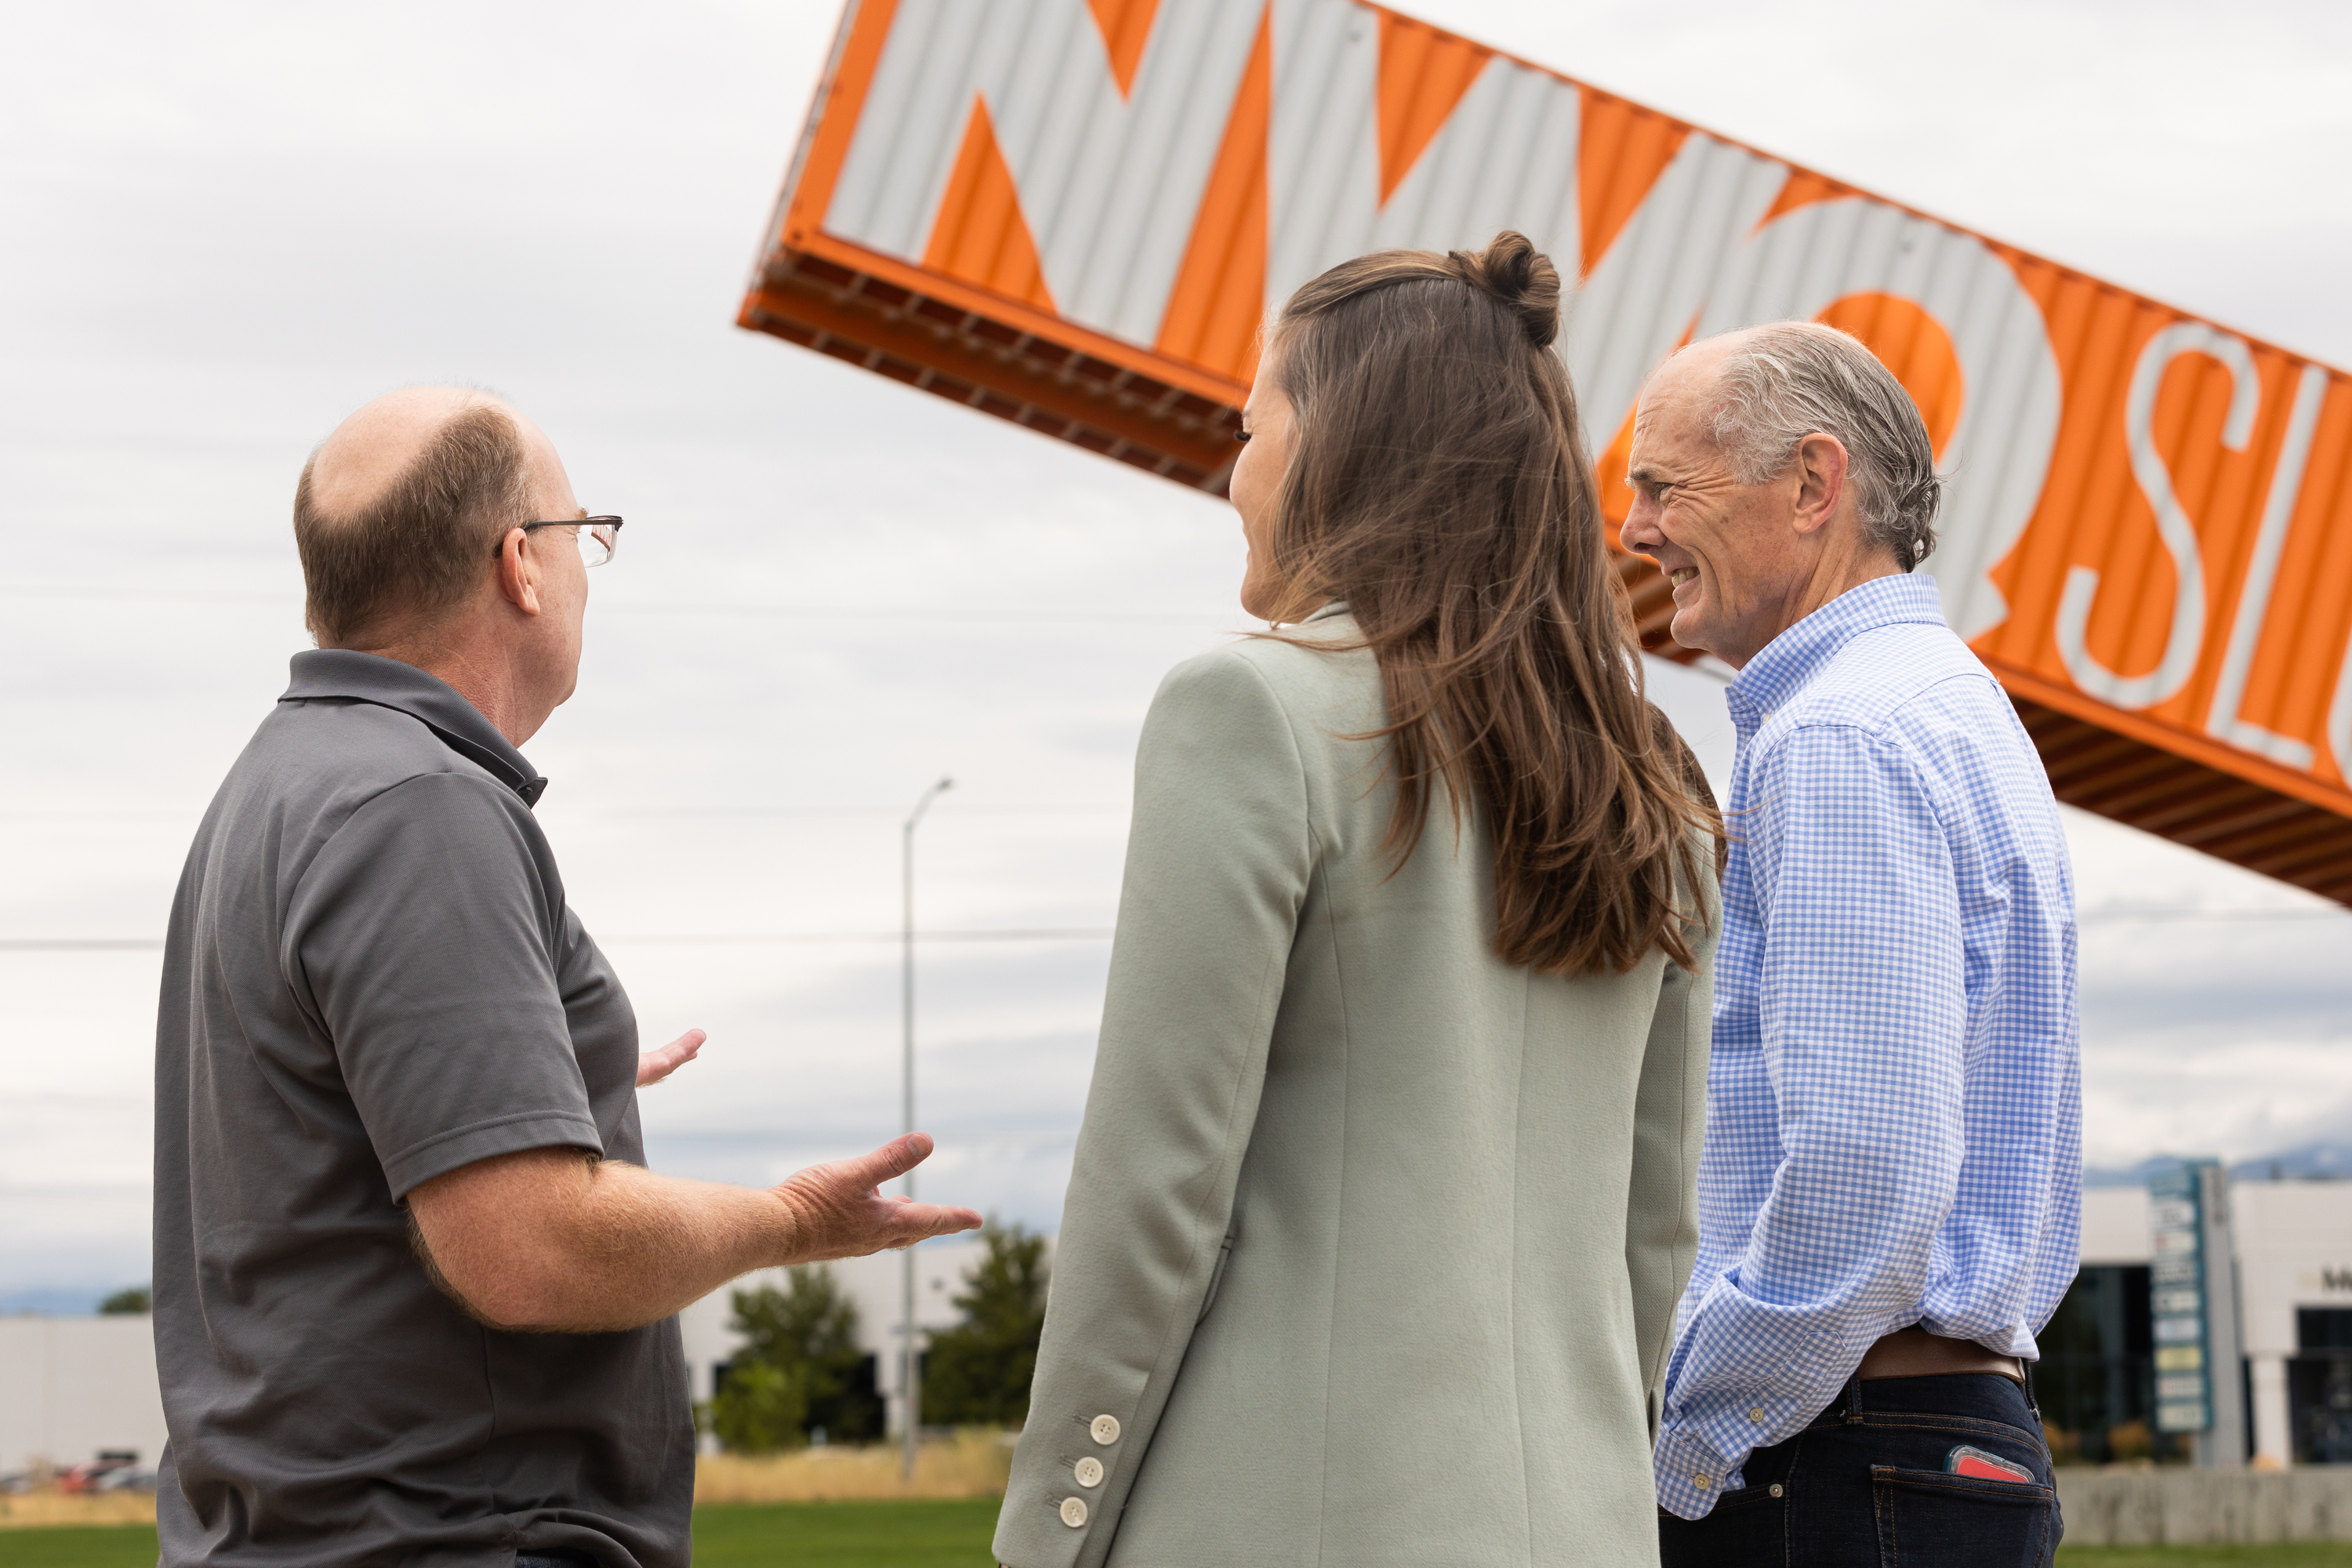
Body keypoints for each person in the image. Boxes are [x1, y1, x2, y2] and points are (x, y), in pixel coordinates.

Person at [151, 387, 982, 1568]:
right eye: (587, 532)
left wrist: (531, 1072)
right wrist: (793, 1222)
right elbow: (525, 1248)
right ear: (519, 567)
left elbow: (329, 1104)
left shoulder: (280, 783)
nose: (591, 566)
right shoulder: (417, 806)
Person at [991, 233, 1723, 1568]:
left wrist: (1053, 1530)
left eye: (1251, 424)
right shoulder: (1654, 776)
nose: (1233, 473)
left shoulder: (1250, 711)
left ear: (1340, 441)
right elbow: (1658, 1239)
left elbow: (1156, 1193)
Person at [1621, 324, 2081, 1566]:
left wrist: (1682, 1446)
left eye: (1666, 486)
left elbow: (1868, 1162)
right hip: (1932, 1438)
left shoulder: (1839, 738)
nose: (1636, 531)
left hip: (1832, 1453)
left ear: (1815, 484)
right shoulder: (1948, 704)